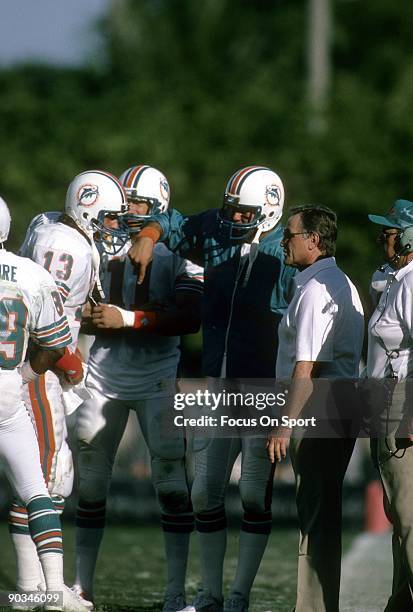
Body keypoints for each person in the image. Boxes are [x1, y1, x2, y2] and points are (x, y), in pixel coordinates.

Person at [128, 166, 295, 612]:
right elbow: (176, 221)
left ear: (268, 211)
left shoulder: (287, 254)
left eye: (244, 214)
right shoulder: (220, 234)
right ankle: (210, 595)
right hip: (220, 379)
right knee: (205, 492)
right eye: (232, 211)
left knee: (255, 493)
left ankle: (238, 595)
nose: (233, 221)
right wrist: (147, 233)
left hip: (263, 386)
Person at [73, 164, 203, 611]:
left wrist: (128, 318)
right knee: (89, 483)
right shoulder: (93, 244)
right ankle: (80, 588)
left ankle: (175, 593)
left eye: (139, 204)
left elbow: (189, 317)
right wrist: (84, 316)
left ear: (159, 209)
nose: (127, 211)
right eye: (124, 202)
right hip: (104, 376)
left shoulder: (180, 251)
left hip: (156, 378)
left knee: (170, 482)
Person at [10, 171, 129, 596]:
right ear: (88, 209)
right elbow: (46, 320)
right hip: (38, 365)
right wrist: (69, 362)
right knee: (48, 475)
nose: (116, 226)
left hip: (35, 363)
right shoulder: (66, 246)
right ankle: (40, 587)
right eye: (111, 218)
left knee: (46, 473)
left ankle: (34, 585)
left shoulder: (49, 226)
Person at [267, 205, 364, 612]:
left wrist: (283, 426)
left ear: (314, 241)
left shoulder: (317, 289)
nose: (283, 242)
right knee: (318, 514)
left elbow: (306, 367)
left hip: (321, 408)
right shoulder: (334, 281)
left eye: (289, 235)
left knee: (317, 518)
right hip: (334, 405)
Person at [0, 196, 89, 612]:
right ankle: (53, 592)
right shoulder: (31, 274)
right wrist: (29, 374)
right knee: (38, 490)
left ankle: (30, 591)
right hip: (6, 393)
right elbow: (56, 345)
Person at [367, 198, 413, 611]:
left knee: (410, 518)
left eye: (391, 231)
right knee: (400, 519)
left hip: (402, 404)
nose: (383, 237)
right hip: (385, 402)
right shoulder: (396, 277)